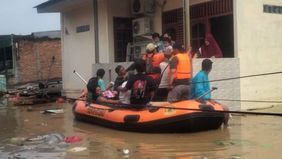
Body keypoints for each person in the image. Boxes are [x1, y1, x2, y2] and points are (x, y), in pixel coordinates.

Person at [191, 59, 229, 125]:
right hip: (198, 100)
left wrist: (209, 99)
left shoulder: (203, 74)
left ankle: (223, 126)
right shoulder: (201, 76)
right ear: (210, 68)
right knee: (226, 109)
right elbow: (199, 92)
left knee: (225, 108)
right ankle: (226, 128)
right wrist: (208, 99)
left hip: (204, 99)